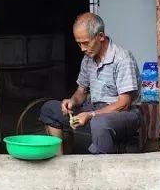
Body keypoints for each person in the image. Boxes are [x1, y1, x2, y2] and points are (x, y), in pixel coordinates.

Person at [39, 13, 141, 154]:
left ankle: (103, 171)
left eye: (86, 43)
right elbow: (81, 91)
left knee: (99, 123)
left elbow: (123, 104)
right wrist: (72, 101)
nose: (82, 48)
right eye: (79, 43)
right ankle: (61, 163)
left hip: (124, 115)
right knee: (49, 109)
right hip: (94, 109)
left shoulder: (122, 59)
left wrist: (91, 115)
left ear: (100, 36)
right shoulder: (88, 58)